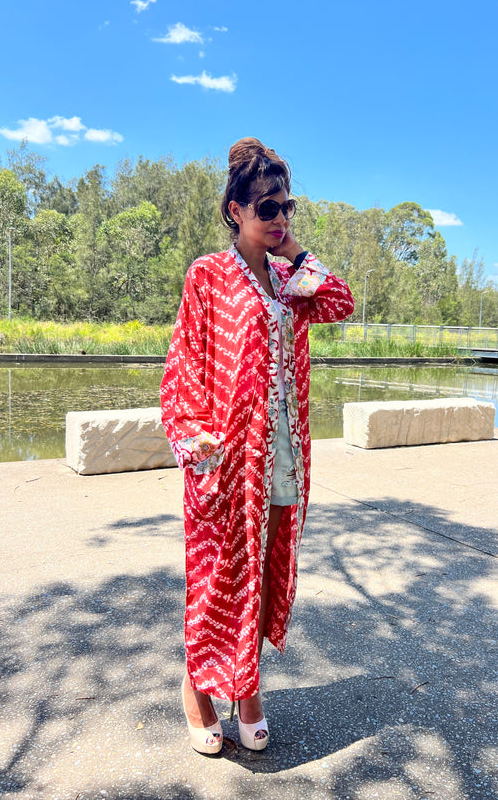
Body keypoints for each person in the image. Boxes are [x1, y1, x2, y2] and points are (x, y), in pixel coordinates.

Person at [160, 137, 354, 754]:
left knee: (262, 573)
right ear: (234, 210)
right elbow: (185, 361)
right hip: (224, 457)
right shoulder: (209, 276)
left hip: (282, 453)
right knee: (216, 574)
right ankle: (198, 688)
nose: (279, 219)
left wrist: (293, 250)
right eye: (266, 208)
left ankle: (247, 689)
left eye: (286, 207)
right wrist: (195, 441)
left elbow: (341, 301)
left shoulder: (291, 280)